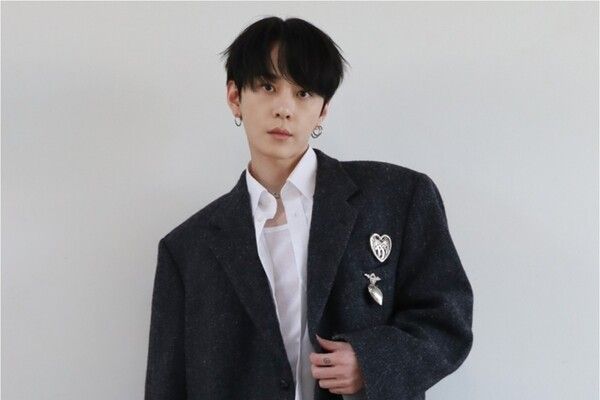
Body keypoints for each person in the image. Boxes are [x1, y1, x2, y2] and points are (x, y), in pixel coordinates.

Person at [144, 16, 473, 400]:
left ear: (323, 109)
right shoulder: (187, 249)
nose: (284, 108)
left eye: (303, 93)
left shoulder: (398, 197)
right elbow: (168, 386)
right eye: (268, 86)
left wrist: (372, 362)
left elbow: (447, 320)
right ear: (234, 96)